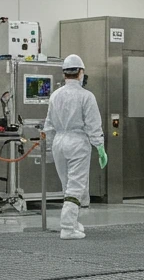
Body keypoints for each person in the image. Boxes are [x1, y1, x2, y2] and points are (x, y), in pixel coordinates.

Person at [43, 55, 104, 240]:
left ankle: (74, 223)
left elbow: (49, 124)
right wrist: (100, 146)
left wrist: (48, 147)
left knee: (66, 184)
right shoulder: (86, 96)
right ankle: (67, 227)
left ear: (64, 74)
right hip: (78, 142)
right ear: (81, 73)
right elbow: (93, 124)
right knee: (76, 185)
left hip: (59, 142)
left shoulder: (55, 95)